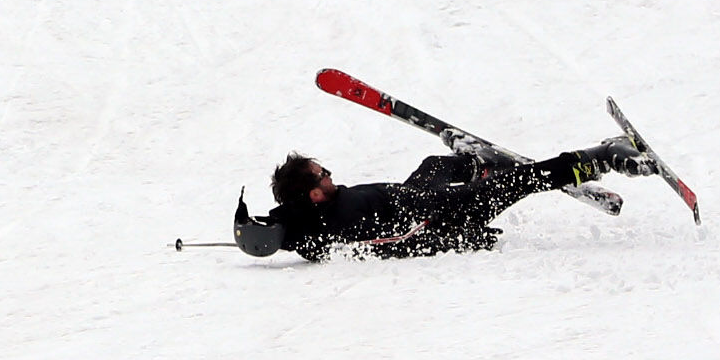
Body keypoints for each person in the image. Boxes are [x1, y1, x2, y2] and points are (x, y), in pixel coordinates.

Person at [235, 139, 655, 261]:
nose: (329, 174)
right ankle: (603, 158)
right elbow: (398, 244)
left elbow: (295, 231)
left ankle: (475, 163)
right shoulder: (345, 217)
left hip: (418, 196)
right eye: (321, 175)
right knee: (529, 179)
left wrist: (269, 228)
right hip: (445, 214)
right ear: (314, 194)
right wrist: (466, 236)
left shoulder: (314, 220)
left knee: (435, 163)